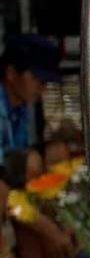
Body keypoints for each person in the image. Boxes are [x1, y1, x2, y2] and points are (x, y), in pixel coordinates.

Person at [0, 34, 61, 174]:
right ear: (11, 73)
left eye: (45, 82)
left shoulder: (23, 107)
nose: (42, 89)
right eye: (36, 79)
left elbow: (24, 149)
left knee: (57, 151)